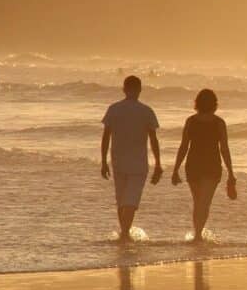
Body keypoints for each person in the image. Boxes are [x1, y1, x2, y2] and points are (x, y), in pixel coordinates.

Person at [101, 75, 162, 241]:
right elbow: (153, 139)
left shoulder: (114, 109)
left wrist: (103, 162)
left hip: (118, 161)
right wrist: (158, 164)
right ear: (140, 90)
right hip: (138, 163)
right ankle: (125, 233)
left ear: (124, 89)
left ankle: (124, 233)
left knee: (121, 200)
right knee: (131, 201)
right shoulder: (146, 111)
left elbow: (106, 136)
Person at [171, 89, 236, 243]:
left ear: (197, 103)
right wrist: (231, 173)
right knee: (204, 203)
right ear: (215, 104)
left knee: (198, 202)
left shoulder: (191, 121)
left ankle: (197, 234)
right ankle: (198, 235)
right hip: (211, 166)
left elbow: (183, 147)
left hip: (193, 165)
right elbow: (224, 149)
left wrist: (176, 169)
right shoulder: (219, 123)